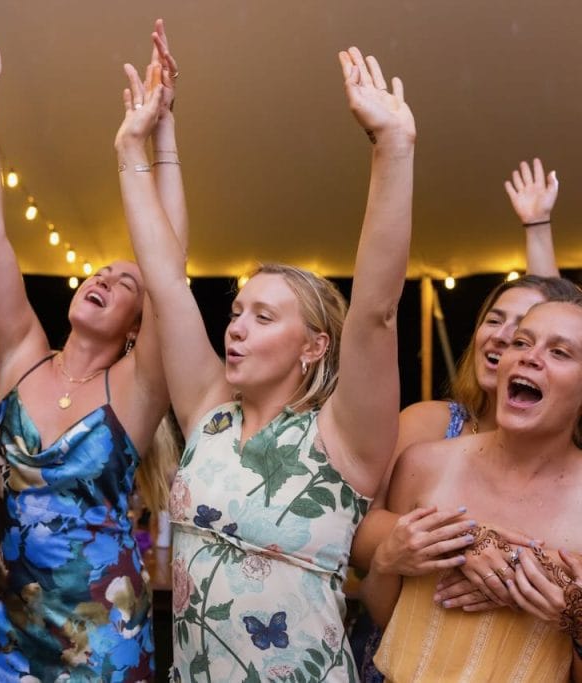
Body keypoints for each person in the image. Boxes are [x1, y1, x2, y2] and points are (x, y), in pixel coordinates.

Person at [116, 46, 414, 679]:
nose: (236, 329)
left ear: (314, 346)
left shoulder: (343, 439)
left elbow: (376, 311)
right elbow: (167, 284)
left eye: (264, 317)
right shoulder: (208, 413)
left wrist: (392, 147)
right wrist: (129, 152)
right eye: (237, 312)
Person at [0, 22, 186, 680]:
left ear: (138, 322)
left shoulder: (136, 390)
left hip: (103, 636)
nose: (104, 278)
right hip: (10, 629)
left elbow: (170, 271)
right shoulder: (22, 355)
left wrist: (161, 133)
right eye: (98, 272)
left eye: (124, 280)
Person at [348, 158, 577, 681]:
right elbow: (361, 533)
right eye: (497, 323)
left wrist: (538, 230)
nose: (510, 341)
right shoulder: (431, 439)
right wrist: (466, 544)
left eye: (522, 331)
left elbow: (563, 327)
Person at [361, 297, 582, 681]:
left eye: (560, 352)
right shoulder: (424, 464)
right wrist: (385, 563)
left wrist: (577, 620)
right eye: (521, 342)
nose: (529, 357)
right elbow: (387, 616)